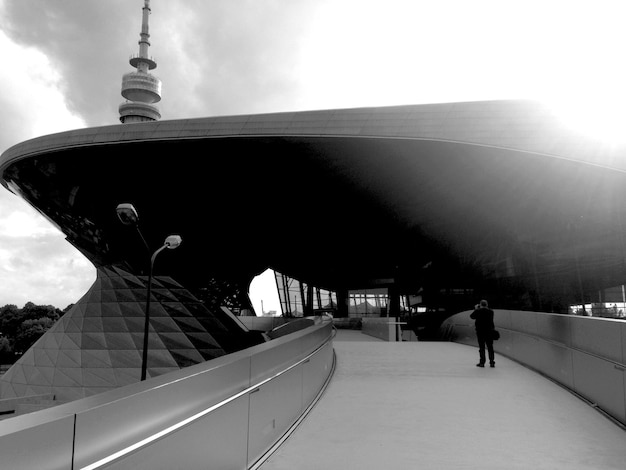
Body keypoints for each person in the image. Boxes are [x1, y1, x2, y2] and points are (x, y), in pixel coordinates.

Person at [470, 299, 495, 368]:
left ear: (480, 305)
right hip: (489, 331)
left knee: (482, 347)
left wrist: (476, 309)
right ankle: (492, 362)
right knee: (490, 347)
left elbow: (472, 316)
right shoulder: (491, 312)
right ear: (487, 304)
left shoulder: (478, 311)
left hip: (480, 331)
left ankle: (482, 362)